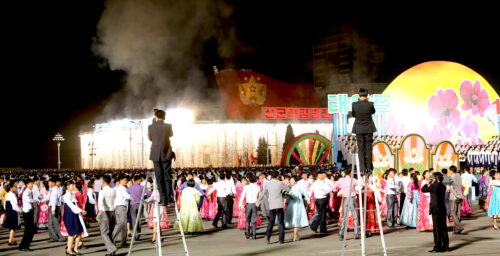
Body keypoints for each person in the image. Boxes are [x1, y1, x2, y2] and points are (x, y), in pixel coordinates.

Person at [148, 109, 175, 206]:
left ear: (155, 116)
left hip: (155, 154)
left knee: (159, 177)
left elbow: (150, 138)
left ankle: (163, 200)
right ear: (164, 116)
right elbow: (171, 135)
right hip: (166, 153)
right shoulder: (168, 126)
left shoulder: (151, 127)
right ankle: (169, 198)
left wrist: (153, 123)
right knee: (167, 176)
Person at [258, 170, 290, 244]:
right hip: (279, 205)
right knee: (281, 222)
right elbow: (288, 189)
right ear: (278, 176)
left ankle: (268, 237)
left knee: (271, 222)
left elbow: (262, 193)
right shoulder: (280, 183)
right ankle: (281, 239)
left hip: (272, 205)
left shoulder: (267, 184)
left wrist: (258, 201)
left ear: (271, 176)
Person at [422, 172, 449, 253]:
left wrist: (426, 183)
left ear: (436, 178)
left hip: (435, 209)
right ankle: (445, 246)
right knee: (443, 227)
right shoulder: (443, 186)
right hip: (442, 208)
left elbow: (423, 190)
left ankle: (437, 246)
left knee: (436, 228)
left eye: (433, 177)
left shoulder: (434, 186)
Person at [351, 88, 376, 173]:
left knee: (361, 149)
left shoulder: (354, 104)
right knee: (368, 149)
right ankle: (369, 168)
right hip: (369, 129)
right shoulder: (370, 104)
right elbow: (373, 112)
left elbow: (354, 114)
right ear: (367, 95)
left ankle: (362, 169)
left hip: (359, 129)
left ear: (359, 95)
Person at [334, 169, 363, 240]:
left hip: (345, 199)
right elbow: (362, 184)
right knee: (355, 216)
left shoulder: (341, 180)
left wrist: (325, 192)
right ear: (350, 173)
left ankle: (341, 233)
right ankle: (356, 234)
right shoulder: (353, 180)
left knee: (344, 217)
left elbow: (333, 186)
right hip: (352, 198)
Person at [63, 180, 88, 256]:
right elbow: (71, 206)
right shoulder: (66, 196)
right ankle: (69, 250)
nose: (74, 187)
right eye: (72, 185)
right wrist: (81, 210)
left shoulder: (72, 194)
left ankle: (75, 249)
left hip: (76, 214)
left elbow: (75, 205)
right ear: (67, 187)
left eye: (74, 185)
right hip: (70, 215)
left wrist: (80, 211)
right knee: (71, 233)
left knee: (79, 232)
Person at [284, 176, 310, 242]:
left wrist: (308, 199)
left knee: (296, 219)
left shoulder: (299, 186)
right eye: (290, 181)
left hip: (298, 205)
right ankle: (295, 234)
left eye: (293, 181)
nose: (291, 182)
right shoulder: (290, 188)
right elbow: (288, 197)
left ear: (295, 181)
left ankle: (295, 234)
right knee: (293, 219)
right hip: (291, 205)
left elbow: (304, 192)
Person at [97, 175, 117, 256]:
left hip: (105, 211)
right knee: (110, 232)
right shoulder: (113, 190)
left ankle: (112, 248)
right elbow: (115, 201)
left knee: (104, 232)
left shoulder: (102, 191)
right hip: (112, 211)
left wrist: (99, 214)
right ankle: (111, 252)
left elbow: (100, 203)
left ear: (104, 182)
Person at [128, 175, 151, 241]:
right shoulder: (142, 187)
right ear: (138, 180)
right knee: (139, 219)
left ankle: (134, 234)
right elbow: (149, 194)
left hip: (132, 204)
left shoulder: (130, 188)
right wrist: (145, 198)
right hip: (140, 204)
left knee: (134, 219)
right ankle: (138, 234)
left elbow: (126, 194)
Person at [238, 174, 262, 239]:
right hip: (254, 204)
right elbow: (260, 196)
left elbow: (242, 196)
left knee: (247, 219)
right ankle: (254, 235)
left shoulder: (246, 187)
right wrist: (258, 202)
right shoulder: (257, 187)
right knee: (254, 220)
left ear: (248, 180)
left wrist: (240, 204)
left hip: (248, 204)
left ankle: (248, 233)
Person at [112, 174, 131, 247]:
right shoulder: (121, 188)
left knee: (123, 225)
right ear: (120, 181)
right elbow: (127, 196)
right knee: (120, 224)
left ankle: (123, 241)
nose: (126, 181)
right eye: (124, 180)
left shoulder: (122, 188)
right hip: (120, 207)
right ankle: (112, 238)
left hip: (121, 207)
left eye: (126, 180)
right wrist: (135, 197)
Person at [19, 178, 36, 252]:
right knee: (29, 230)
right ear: (27, 184)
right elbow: (29, 200)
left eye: (32, 183)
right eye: (30, 184)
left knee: (29, 230)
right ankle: (24, 246)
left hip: (29, 211)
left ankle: (23, 245)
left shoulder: (29, 191)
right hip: (27, 212)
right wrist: (36, 200)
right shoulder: (26, 192)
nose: (32, 185)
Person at [4, 181, 21, 246]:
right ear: (11, 187)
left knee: (11, 227)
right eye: (15, 187)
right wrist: (20, 210)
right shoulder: (13, 195)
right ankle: (10, 240)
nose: (15, 188)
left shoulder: (8, 194)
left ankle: (12, 239)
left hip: (8, 212)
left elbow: (5, 205)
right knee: (13, 227)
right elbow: (14, 205)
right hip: (13, 212)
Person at [449, 165, 464, 234]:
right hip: (461, 195)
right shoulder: (459, 175)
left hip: (455, 196)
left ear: (451, 170)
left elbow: (452, 188)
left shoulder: (451, 177)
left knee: (453, 212)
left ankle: (459, 226)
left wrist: (455, 195)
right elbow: (460, 185)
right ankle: (457, 229)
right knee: (458, 212)